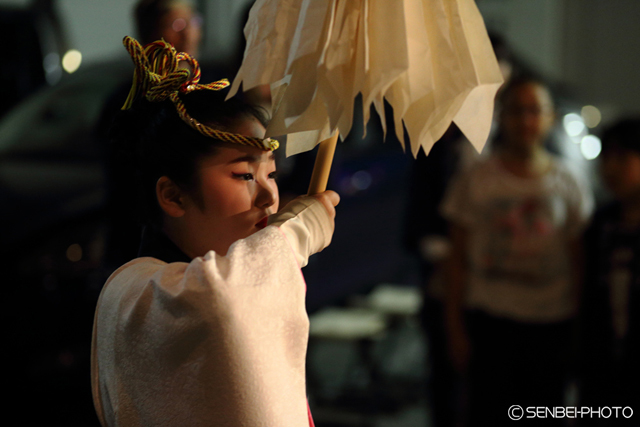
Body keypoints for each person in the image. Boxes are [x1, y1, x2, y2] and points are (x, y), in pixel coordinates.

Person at [91, 36, 340, 427]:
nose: (269, 197)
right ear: (172, 195)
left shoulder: (225, 277)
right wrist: (294, 235)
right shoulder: (137, 293)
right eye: (244, 175)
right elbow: (218, 300)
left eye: (271, 173)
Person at [441, 76, 593, 426]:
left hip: (550, 326)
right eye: (516, 111)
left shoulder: (568, 182)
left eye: (534, 111)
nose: (526, 121)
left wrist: (579, 333)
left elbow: (580, 262)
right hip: (491, 324)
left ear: (550, 117)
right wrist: (455, 328)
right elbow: (456, 260)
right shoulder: (476, 179)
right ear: (502, 117)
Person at [579, 118, 640, 423]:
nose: (610, 168)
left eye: (622, 157)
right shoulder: (600, 224)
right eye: (606, 157)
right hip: (601, 373)